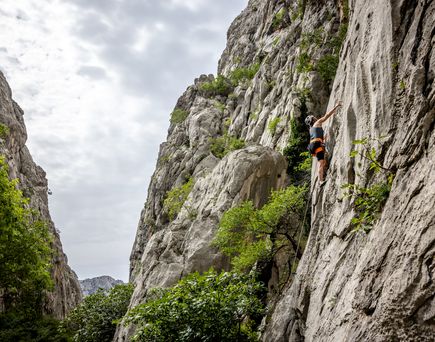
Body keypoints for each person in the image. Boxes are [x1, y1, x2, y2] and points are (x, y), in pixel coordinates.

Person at [305, 102, 342, 186]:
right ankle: (321, 180)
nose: (315, 117)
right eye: (314, 117)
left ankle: (320, 181)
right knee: (321, 163)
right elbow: (326, 116)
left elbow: (316, 136)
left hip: (313, 146)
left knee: (321, 163)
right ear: (313, 120)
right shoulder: (317, 122)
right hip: (317, 143)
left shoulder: (311, 129)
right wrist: (336, 106)